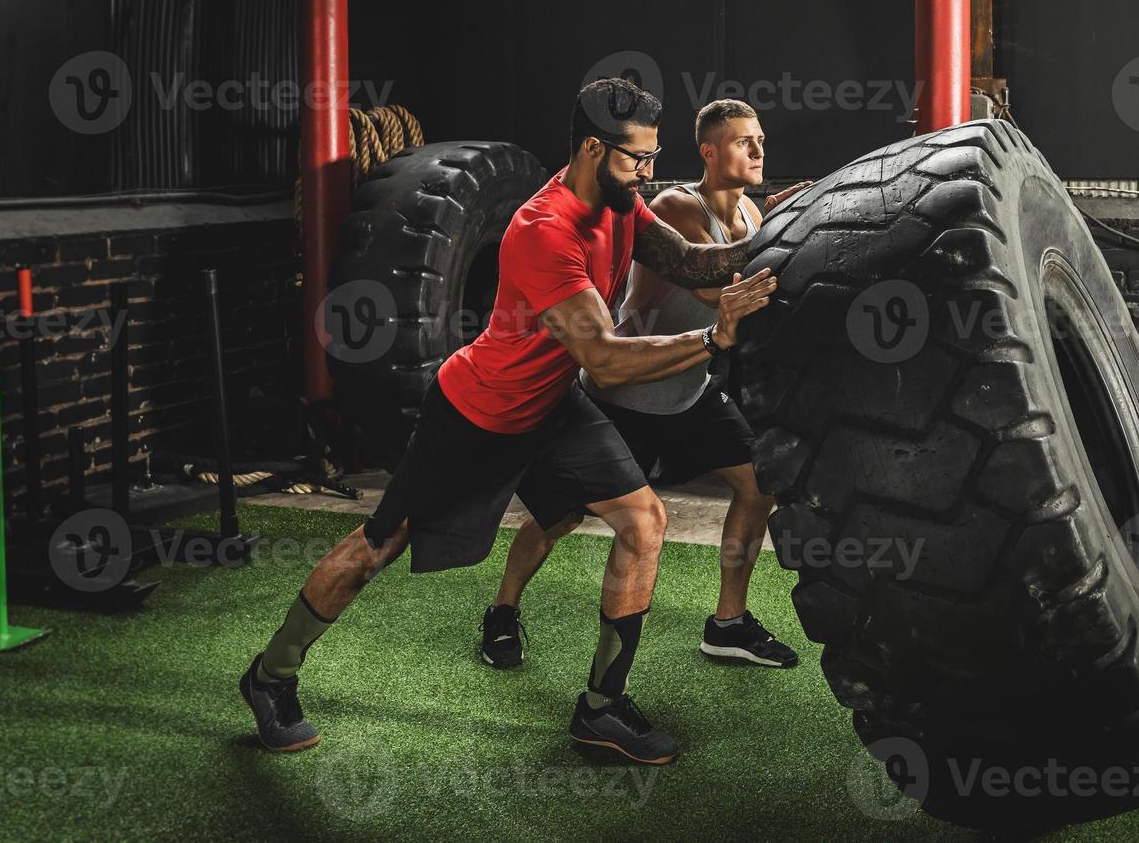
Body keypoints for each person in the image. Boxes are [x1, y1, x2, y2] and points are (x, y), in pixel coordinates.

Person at [239, 78, 803, 766]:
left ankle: (601, 708)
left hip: (553, 405)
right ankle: (271, 676)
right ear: (595, 149)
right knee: (378, 547)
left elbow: (689, 261)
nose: (650, 173)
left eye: (654, 158)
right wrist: (714, 339)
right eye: (638, 159)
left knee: (644, 521)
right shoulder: (545, 230)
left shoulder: (624, 203)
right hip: (480, 412)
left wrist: (782, 228)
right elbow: (605, 358)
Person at [481, 99, 811, 672]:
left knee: (758, 487)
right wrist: (799, 231)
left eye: (760, 139)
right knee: (559, 516)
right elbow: (716, 290)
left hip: (690, 386)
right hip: (628, 391)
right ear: (709, 152)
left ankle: (728, 623)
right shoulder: (676, 206)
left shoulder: (754, 220)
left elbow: (750, 286)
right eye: (742, 141)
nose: (758, 150)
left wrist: (786, 226)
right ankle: (503, 609)